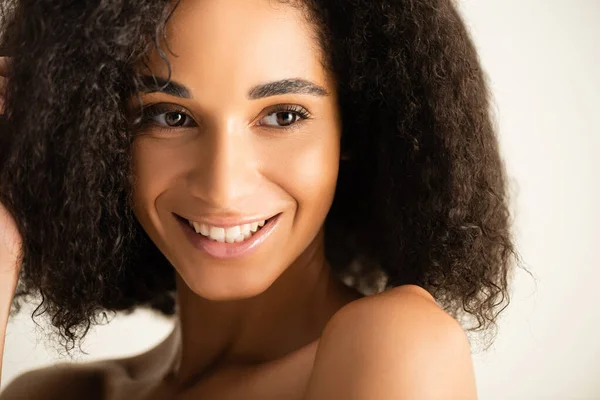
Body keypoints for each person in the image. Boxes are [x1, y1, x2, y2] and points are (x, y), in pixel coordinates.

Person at [0, 0, 517, 398]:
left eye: (283, 115)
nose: (223, 188)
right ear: (93, 134)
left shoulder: (396, 345)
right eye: (170, 116)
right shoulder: (55, 393)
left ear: (355, 129)